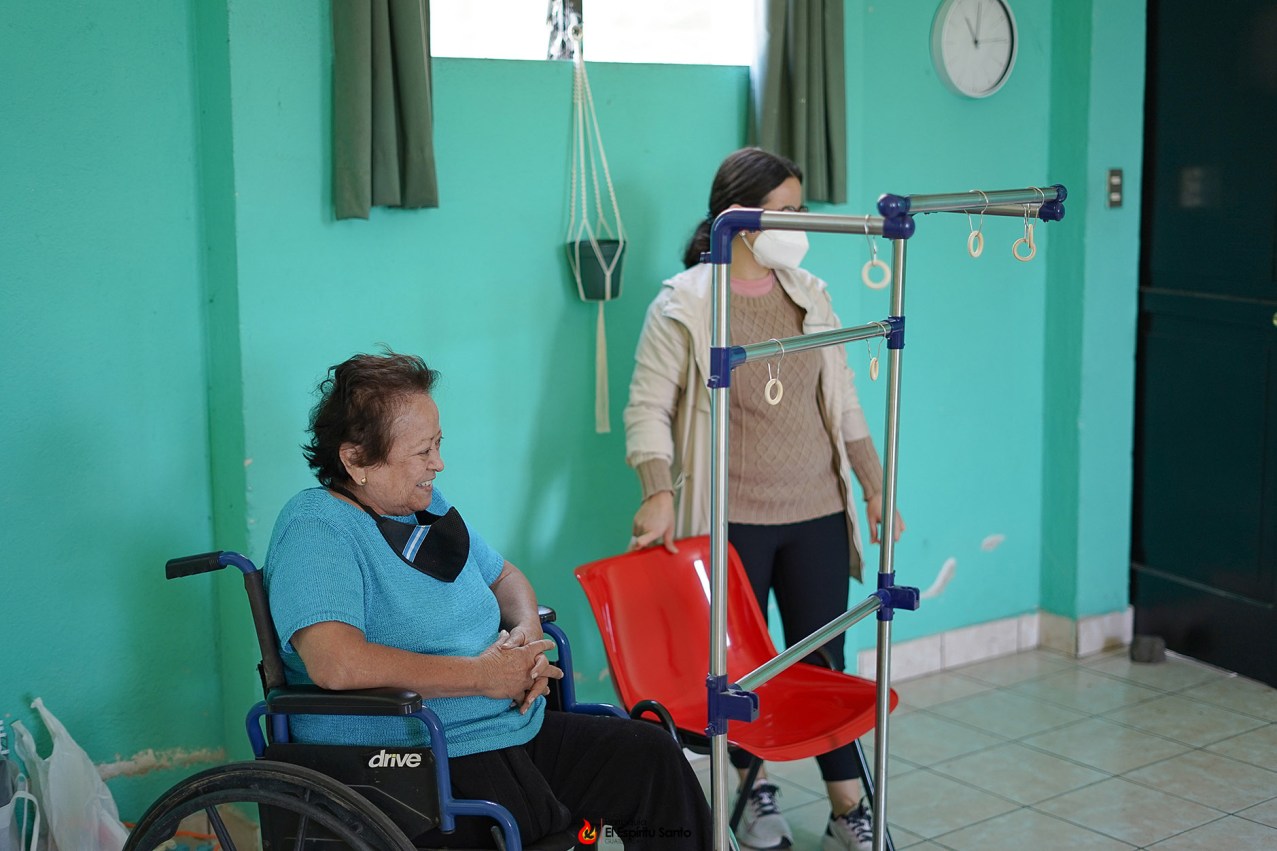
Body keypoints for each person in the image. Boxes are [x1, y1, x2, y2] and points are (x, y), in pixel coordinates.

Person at [265, 350, 711, 849]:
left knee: (651, 756)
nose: (438, 463)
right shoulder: (318, 528)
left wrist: (527, 640)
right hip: (417, 757)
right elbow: (336, 663)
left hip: (508, 727)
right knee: (540, 821)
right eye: (422, 451)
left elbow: (506, 577)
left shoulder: (426, 508)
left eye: (438, 444)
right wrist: (483, 676)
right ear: (355, 459)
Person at [623, 148, 905, 851]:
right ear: (737, 217)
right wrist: (656, 492)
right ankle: (756, 793)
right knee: (741, 672)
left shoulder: (808, 292)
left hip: (816, 510)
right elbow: (647, 408)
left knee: (822, 666)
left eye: (800, 207)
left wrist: (874, 487)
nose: (799, 222)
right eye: (783, 209)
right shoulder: (685, 302)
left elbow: (843, 399)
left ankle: (847, 806)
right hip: (731, 520)